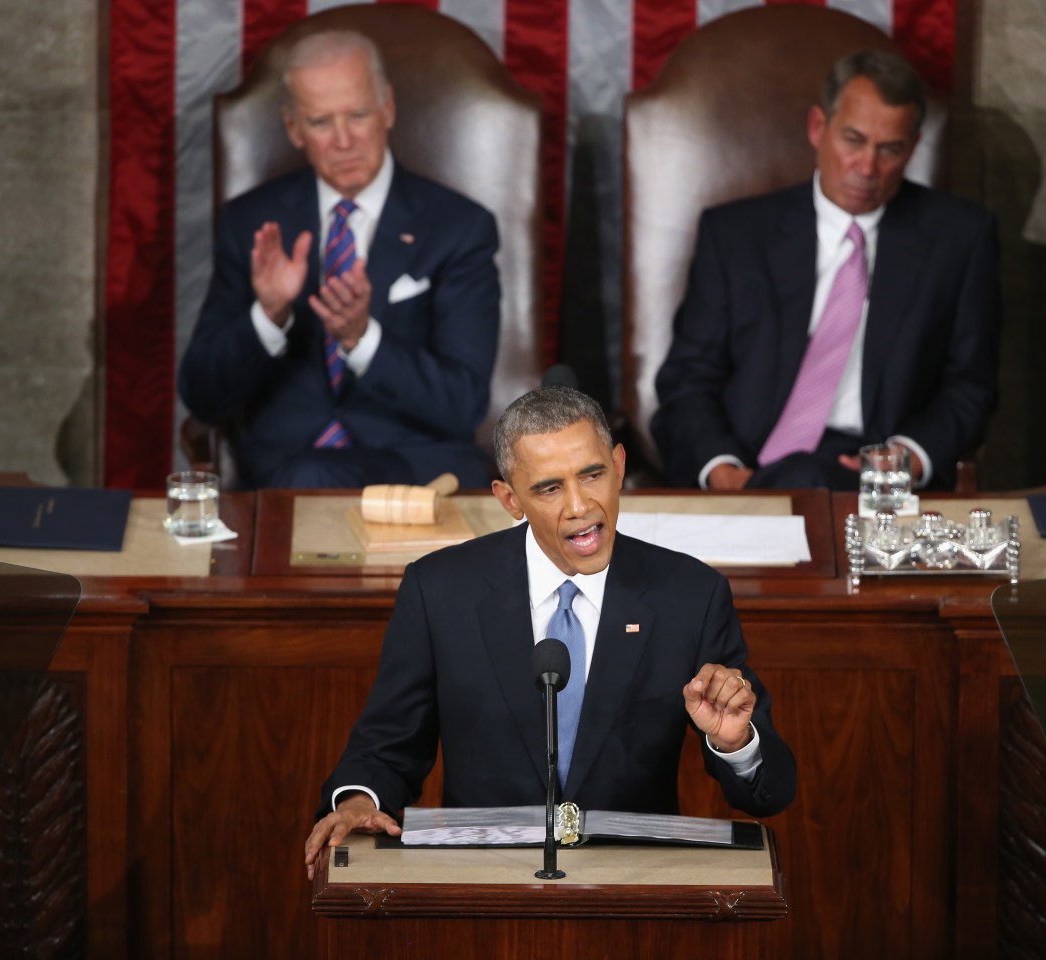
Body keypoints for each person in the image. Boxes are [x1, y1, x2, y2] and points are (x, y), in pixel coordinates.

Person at [304, 386, 797, 878]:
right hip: (479, 884)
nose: (580, 505)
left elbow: (770, 792)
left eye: (592, 474)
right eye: (549, 488)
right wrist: (354, 802)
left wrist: (736, 744)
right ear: (510, 499)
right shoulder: (439, 591)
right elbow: (386, 745)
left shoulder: (690, 595)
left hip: (634, 887)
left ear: (619, 465)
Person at [651, 49, 1001, 492]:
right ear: (818, 127)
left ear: (912, 149)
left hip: (875, 476)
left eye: (889, 149)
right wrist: (722, 471)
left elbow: (970, 387)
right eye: (853, 140)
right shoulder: (735, 235)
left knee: (812, 479)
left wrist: (905, 459)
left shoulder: (960, 240)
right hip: (749, 466)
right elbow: (688, 377)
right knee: (797, 479)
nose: (867, 168)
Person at [179, 31, 500, 489]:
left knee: (314, 477)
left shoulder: (459, 227)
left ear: (387, 108)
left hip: (416, 471)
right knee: (305, 478)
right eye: (321, 122)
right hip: (282, 474)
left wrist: (362, 338)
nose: (344, 141)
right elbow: (203, 397)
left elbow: (462, 403)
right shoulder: (252, 224)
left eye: (358, 115)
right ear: (293, 128)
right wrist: (268, 316)